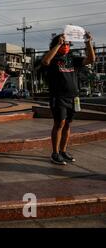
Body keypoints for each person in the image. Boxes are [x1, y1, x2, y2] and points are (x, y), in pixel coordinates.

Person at [41, 32, 95, 165]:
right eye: (64, 43)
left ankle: (63, 151)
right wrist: (58, 44)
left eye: (67, 44)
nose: (66, 46)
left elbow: (91, 59)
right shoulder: (52, 58)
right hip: (58, 97)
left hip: (73, 98)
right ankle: (55, 153)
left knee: (68, 124)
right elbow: (45, 61)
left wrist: (88, 43)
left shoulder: (72, 59)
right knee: (59, 123)